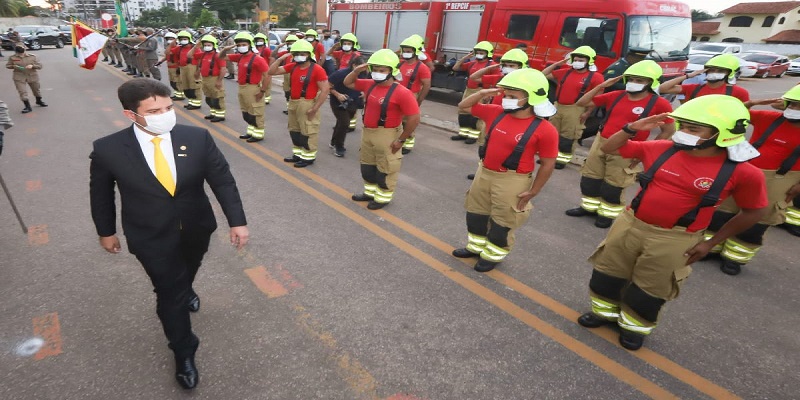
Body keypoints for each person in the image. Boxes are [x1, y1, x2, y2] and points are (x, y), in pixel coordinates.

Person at [89, 79, 249, 389]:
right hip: (149, 234)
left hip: (195, 227)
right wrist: (106, 232)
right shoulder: (108, 149)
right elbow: (101, 195)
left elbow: (223, 181)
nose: (165, 115)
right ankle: (184, 350)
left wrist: (237, 221)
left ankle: (186, 287)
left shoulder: (197, 138)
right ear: (131, 114)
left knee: (187, 269)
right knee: (168, 293)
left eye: (168, 107)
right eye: (154, 110)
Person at [577, 95, 768, 351]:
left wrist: (711, 243)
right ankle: (603, 313)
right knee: (607, 274)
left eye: (693, 129)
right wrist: (632, 128)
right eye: (683, 126)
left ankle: (633, 327)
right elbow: (608, 148)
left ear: (722, 133)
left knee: (650, 289)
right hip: (630, 224)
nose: (683, 133)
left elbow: (753, 212)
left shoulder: (744, 172)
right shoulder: (661, 149)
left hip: (676, 238)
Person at [452, 69, 559, 272]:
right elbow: (464, 106)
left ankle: (493, 255)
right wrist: (483, 94)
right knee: (476, 214)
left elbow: (547, 163)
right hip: (484, 173)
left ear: (531, 98)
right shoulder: (495, 112)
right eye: (505, 94)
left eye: (512, 96)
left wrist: (534, 191)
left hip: (513, 179)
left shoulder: (545, 129)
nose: (506, 99)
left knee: (503, 220)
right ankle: (475, 247)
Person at [566, 61, 675, 228]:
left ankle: (607, 215)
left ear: (651, 83)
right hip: (601, 141)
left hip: (628, 147)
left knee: (614, 185)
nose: (634, 83)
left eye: (640, 80)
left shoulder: (659, 104)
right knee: (590, 178)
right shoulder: (616, 95)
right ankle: (588, 207)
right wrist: (601, 85)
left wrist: (644, 153)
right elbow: (582, 102)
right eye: (632, 79)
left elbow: (668, 130)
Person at [702, 88, 800, 275]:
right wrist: (752, 103)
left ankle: (733, 258)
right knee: (721, 213)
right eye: (792, 104)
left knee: (757, 222)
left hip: (781, 180)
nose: (794, 109)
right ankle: (710, 247)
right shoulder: (767, 117)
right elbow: (731, 114)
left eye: (799, 106)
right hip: (744, 172)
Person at [344, 49, 420, 209]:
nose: (377, 73)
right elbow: (348, 83)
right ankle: (370, 193)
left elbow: (414, 118)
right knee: (367, 166)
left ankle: (383, 198)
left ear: (392, 71)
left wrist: (401, 140)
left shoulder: (402, 93)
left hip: (387, 134)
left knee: (386, 168)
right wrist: (357, 70)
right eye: (375, 70)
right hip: (368, 133)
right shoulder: (370, 84)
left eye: (382, 70)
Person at [268, 39, 330, 168]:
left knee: (308, 131)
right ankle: (297, 154)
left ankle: (308, 157)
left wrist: (314, 108)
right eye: (296, 53)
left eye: (302, 53)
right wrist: (280, 59)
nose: (299, 56)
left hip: (307, 103)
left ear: (308, 54)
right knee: (294, 130)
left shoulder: (317, 69)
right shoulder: (293, 66)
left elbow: (325, 90)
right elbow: (271, 72)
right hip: (293, 102)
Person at [542, 46, 605, 169]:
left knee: (568, 137)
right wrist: (558, 64)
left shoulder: (596, 77)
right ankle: (549, 158)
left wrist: (587, 112)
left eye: (581, 60)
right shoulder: (564, 72)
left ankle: (561, 161)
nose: (577, 62)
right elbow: (543, 75)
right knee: (552, 135)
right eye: (575, 59)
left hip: (575, 109)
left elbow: (597, 98)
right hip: (557, 107)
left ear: (589, 61)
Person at [219, 32, 270, 142]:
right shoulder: (240, 57)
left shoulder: (258, 59)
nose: (241, 47)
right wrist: (226, 48)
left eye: (244, 45)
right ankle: (251, 131)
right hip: (242, 87)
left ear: (250, 45)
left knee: (255, 111)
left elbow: (267, 75)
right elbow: (221, 57)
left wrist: (262, 91)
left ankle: (258, 134)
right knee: (246, 112)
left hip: (253, 87)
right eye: (239, 45)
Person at [658, 54, 749, 104]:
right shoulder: (694, 88)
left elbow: (742, 114)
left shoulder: (739, 92)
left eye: (720, 71)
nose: (714, 73)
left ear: (729, 73)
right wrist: (688, 75)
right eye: (712, 70)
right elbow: (663, 88)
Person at [451, 41, 495, 144]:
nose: (479, 54)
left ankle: (473, 136)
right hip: (468, 90)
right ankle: (463, 133)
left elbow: (495, 80)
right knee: (462, 111)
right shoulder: (472, 63)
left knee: (476, 114)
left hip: (480, 91)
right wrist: (465, 58)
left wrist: (489, 95)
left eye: (481, 52)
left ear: (488, 53)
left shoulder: (492, 65)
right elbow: (455, 68)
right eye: (477, 52)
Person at [397, 35, 432, 154]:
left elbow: (427, 85)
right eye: (404, 51)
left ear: (416, 52)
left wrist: (419, 100)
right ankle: (397, 139)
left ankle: (407, 144)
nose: (405, 53)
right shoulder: (400, 64)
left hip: (411, 95)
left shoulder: (422, 67)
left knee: (408, 121)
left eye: (408, 51)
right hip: (397, 94)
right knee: (397, 119)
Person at [328, 56, 366, 157]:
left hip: (353, 103)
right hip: (338, 102)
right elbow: (327, 85)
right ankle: (339, 147)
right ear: (354, 65)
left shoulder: (364, 74)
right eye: (360, 67)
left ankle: (333, 141)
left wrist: (364, 93)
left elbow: (366, 85)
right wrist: (337, 94)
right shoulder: (341, 73)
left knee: (341, 122)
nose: (363, 69)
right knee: (345, 123)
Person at [193, 35, 226, 123]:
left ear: (214, 45)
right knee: (209, 97)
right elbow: (190, 55)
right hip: (205, 78)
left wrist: (219, 81)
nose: (207, 47)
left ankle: (220, 115)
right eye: (205, 45)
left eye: (209, 45)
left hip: (214, 78)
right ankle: (213, 113)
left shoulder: (218, 55)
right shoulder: (203, 54)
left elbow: (223, 69)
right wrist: (196, 46)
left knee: (217, 97)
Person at [5, 45, 46, 114]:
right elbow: (8, 65)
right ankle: (27, 106)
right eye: (19, 52)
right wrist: (14, 66)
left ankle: (39, 100)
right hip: (19, 76)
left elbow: (40, 66)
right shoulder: (12, 57)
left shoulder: (32, 56)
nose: (21, 54)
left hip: (32, 75)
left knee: (36, 89)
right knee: (22, 91)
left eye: (22, 51)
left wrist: (33, 66)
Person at [172, 31, 203, 110]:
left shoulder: (195, 48)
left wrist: (198, 71)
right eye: (181, 39)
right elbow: (168, 52)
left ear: (189, 39)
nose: (183, 40)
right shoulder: (180, 48)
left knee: (194, 86)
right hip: (183, 68)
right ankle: (191, 102)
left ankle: (196, 103)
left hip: (192, 68)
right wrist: (173, 40)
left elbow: (200, 60)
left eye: (185, 39)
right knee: (186, 86)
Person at [156, 32, 184, 100]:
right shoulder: (169, 47)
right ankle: (176, 94)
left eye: (171, 39)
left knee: (177, 82)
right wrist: (160, 62)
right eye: (168, 39)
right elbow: (167, 56)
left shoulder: (178, 48)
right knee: (172, 82)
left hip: (175, 67)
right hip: (170, 67)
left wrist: (179, 67)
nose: (169, 40)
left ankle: (180, 95)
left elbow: (179, 58)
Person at [276, 34, 298, 115]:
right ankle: (289, 108)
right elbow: (273, 55)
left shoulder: (300, 54)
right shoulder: (285, 53)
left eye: (292, 43)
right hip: (287, 73)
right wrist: (278, 47)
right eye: (289, 43)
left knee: (295, 92)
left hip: (296, 73)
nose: (290, 45)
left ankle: (294, 108)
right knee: (287, 92)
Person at [253, 33, 274, 105]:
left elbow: (271, 59)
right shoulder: (255, 49)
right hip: (258, 70)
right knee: (259, 84)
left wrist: (270, 69)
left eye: (260, 40)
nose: (259, 41)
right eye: (257, 40)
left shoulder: (266, 50)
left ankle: (267, 98)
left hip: (266, 69)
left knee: (267, 84)